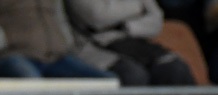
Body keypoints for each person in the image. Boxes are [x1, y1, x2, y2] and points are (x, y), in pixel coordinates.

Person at [0, 0, 117, 79]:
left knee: (107, 83)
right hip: (9, 56)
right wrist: (5, 39)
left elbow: (58, 18)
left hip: (57, 58)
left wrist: (65, 42)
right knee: (34, 86)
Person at [67, 0, 196, 86]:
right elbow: (97, 16)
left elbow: (156, 21)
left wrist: (126, 27)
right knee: (133, 75)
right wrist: (138, 7)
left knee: (175, 68)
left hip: (136, 42)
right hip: (94, 47)